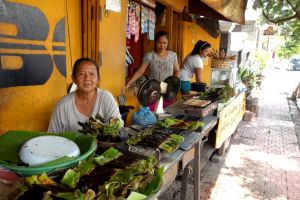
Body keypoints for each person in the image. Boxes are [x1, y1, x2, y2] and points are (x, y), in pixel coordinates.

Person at [48, 58, 122, 133]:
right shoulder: (63, 105)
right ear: (74, 78)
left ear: (98, 78)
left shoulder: (106, 98)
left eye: (92, 74)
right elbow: (53, 137)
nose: (87, 78)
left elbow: (117, 128)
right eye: (82, 74)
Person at [125, 31, 180, 110]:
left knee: (168, 114)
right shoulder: (149, 56)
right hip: (153, 92)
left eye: (164, 43)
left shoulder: (173, 55)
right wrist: (128, 84)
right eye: (159, 43)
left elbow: (177, 70)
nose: (162, 45)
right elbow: (140, 71)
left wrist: (174, 82)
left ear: (168, 43)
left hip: (168, 91)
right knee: (153, 114)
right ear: (155, 42)